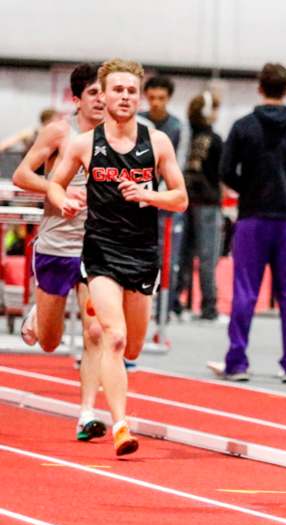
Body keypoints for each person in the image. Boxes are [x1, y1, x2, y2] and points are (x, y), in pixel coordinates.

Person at [48, 58, 188, 457]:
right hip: (101, 251)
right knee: (114, 336)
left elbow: (180, 198)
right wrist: (67, 200)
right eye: (118, 90)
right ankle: (121, 426)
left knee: (133, 347)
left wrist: (148, 195)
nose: (125, 97)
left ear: (138, 96)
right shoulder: (84, 143)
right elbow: (55, 186)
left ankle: (118, 403)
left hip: (142, 254)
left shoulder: (157, 141)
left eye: (131, 91)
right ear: (103, 95)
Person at [208, 63, 286, 383]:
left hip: (251, 220)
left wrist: (250, 190)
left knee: (245, 292)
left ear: (260, 88)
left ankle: (237, 362)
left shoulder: (243, 126)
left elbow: (226, 170)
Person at [12, 63, 107, 442]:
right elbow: (22, 175)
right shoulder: (59, 132)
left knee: (95, 330)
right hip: (56, 246)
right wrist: (58, 189)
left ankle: (86, 413)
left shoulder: (118, 138)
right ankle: (39, 314)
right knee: (50, 343)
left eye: (106, 92)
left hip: (96, 249)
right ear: (77, 98)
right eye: (94, 94)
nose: (102, 100)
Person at [175, 91, 224, 321]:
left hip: (186, 199)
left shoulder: (186, 135)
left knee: (183, 253)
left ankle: (174, 303)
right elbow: (222, 171)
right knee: (208, 256)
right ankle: (209, 307)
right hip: (208, 201)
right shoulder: (214, 139)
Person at [140, 75, 186, 319]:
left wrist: (167, 194)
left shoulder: (178, 127)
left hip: (166, 200)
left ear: (168, 99)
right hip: (140, 199)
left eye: (161, 98)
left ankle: (164, 308)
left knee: (169, 257)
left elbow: (181, 163)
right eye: (152, 98)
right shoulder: (139, 123)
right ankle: (142, 303)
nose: (156, 103)